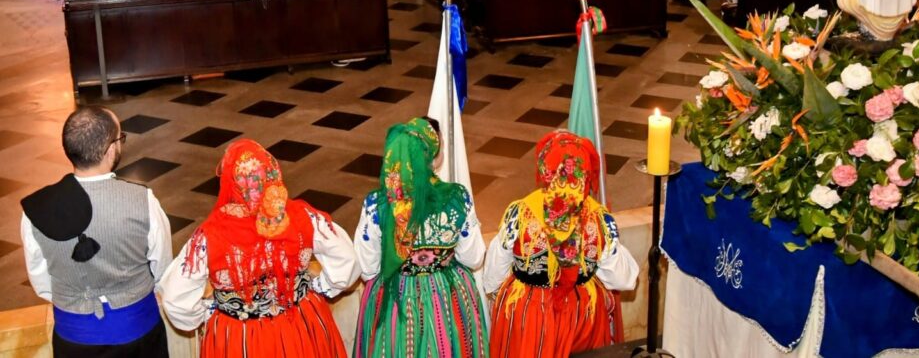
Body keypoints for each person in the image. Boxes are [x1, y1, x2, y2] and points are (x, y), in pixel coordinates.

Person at [160, 139, 359, 358]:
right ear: (270, 173)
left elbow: (175, 298)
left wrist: (207, 313)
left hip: (240, 336)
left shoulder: (209, 236)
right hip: (301, 325)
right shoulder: (304, 217)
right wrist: (321, 286)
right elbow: (347, 259)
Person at [21, 107, 172, 356]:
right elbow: (162, 268)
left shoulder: (34, 209)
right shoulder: (142, 200)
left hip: (73, 337)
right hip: (137, 332)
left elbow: (42, 282)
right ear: (111, 149)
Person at [484, 131, 639, 358]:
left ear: (545, 171)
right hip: (581, 317)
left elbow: (492, 277)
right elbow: (624, 279)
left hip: (530, 318)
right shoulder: (599, 220)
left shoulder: (519, 213)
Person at [353, 118, 487, 357]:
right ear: (434, 157)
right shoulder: (457, 198)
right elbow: (474, 258)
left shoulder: (376, 205)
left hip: (396, 299)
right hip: (446, 297)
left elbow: (368, 268)